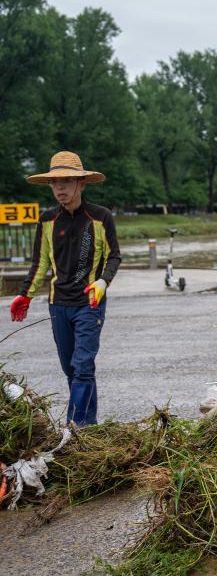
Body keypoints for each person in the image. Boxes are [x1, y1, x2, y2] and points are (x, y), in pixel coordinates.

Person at [9, 151, 121, 427]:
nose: (60, 188)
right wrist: (25, 293)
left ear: (81, 184)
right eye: (55, 182)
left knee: (83, 366)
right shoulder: (47, 220)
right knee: (72, 370)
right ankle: (89, 426)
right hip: (58, 304)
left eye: (67, 181)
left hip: (90, 302)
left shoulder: (100, 217)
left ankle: (74, 429)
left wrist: (103, 282)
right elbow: (41, 262)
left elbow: (114, 256)